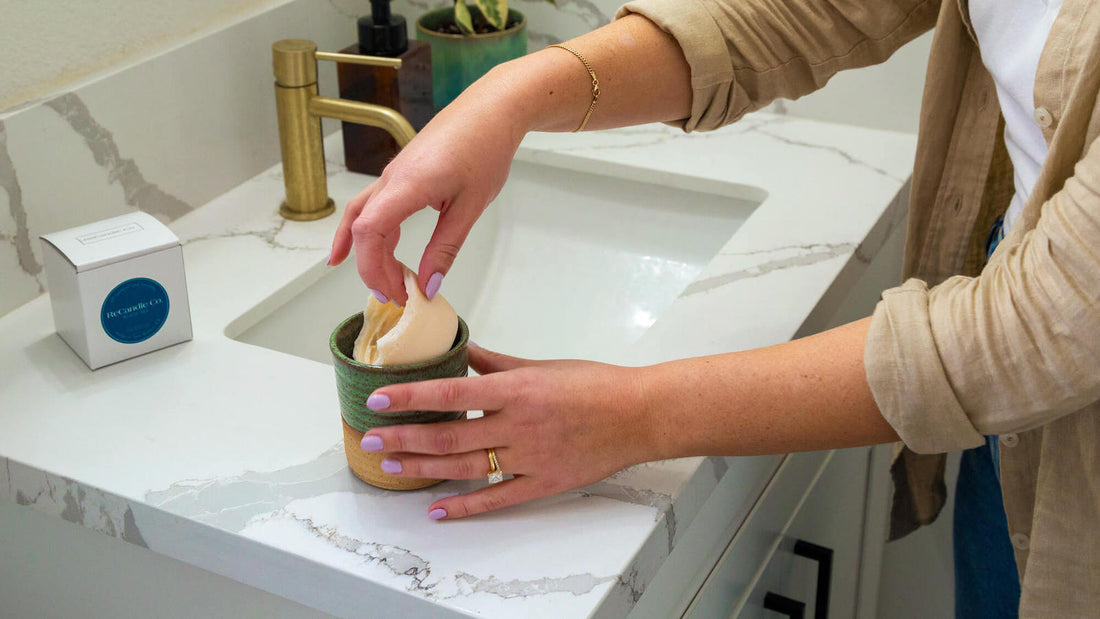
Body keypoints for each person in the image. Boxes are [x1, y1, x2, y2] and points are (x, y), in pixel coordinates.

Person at [327, 0, 1100, 614]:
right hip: (1016, 435)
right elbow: (803, 11)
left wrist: (637, 413)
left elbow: (1038, 328)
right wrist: (511, 94)